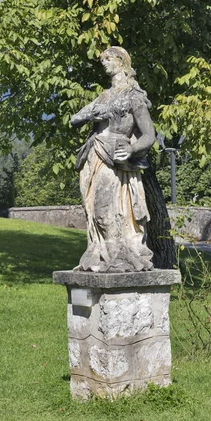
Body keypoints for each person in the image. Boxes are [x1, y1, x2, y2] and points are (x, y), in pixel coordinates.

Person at [71, 46, 155, 272]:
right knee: (92, 209)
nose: (104, 64)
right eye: (103, 60)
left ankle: (119, 257)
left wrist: (131, 149)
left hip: (116, 157)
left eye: (107, 59)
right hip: (94, 155)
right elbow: (74, 119)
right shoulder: (104, 96)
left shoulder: (133, 96)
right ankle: (105, 257)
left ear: (121, 61)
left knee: (104, 209)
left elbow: (149, 135)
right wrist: (91, 114)